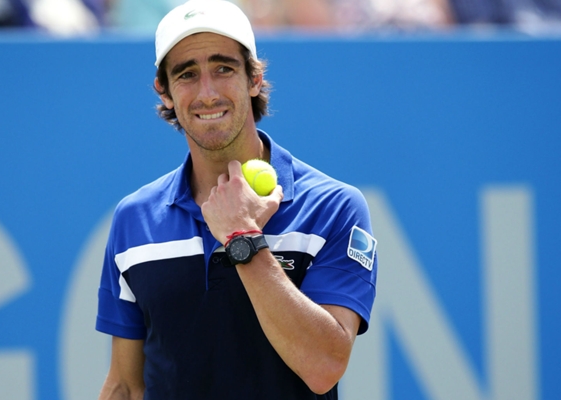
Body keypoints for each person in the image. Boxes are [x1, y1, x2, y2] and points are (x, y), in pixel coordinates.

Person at [95, 0, 378, 398]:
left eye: (223, 68)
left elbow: (324, 366)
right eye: (187, 74)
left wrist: (243, 239)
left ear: (254, 78)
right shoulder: (133, 219)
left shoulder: (333, 206)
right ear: (166, 91)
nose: (207, 92)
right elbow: (125, 385)